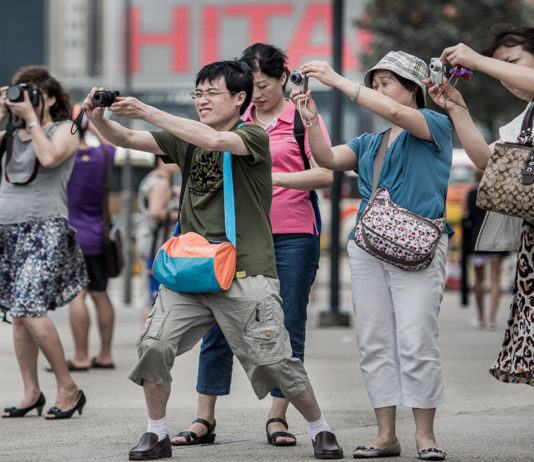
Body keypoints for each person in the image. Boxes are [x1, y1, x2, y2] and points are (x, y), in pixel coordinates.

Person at [84, 59, 343, 461]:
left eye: (211, 93)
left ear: (240, 99)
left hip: (245, 268)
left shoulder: (253, 135)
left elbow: (216, 141)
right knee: (154, 345)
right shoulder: (184, 138)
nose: (202, 101)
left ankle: (319, 428)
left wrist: (146, 110)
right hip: (192, 269)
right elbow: (127, 138)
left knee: (275, 359)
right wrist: (97, 117)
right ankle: (156, 433)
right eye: (198, 93)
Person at [292, 51, 453, 460]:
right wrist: (310, 120)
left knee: (417, 340)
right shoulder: (369, 142)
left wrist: (338, 80)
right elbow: (327, 159)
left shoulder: (433, 124)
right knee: (374, 343)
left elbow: (394, 113)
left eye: (386, 83)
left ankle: (426, 436)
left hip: (419, 247)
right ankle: (385, 435)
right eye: (374, 84)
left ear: (412, 88)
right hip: (368, 248)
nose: (378, 90)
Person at [171, 43, 333, 449]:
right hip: (234, 239)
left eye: (263, 85)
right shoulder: (232, 121)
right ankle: (204, 417)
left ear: (283, 79)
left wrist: (271, 177)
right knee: (217, 324)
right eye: (250, 87)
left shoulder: (301, 119)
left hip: (292, 236)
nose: (256, 94)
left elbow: (325, 174)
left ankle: (278, 415)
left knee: (286, 325)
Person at [431, 26, 534, 386]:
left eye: (513, 63)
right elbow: (485, 160)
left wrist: (476, 60)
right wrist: (456, 108)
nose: (506, 77)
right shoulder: (527, 117)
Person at [0, 66, 87, 419]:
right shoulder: (9, 135)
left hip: (45, 229)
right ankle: (31, 391)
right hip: (8, 231)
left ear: (49, 98)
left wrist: (33, 120)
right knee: (19, 315)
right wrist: (2, 113)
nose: (24, 99)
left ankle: (68, 387)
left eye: (32, 93)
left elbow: (49, 157)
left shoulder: (64, 129)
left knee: (30, 310)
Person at [65, 105, 117, 370]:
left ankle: (81, 356)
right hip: (98, 236)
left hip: (71, 236)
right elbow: (110, 142)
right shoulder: (103, 156)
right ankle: (105, 354)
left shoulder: (63, 160)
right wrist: (90, 121)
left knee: (78, 296)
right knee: (100, 293)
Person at [136, 156, 180, 324]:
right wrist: (182, 216)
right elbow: (156, 211)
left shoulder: (152, 178)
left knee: (149, 290)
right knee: (153, 293)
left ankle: (146, 332)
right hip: (156, 241)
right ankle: (148, 332)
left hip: (147, 238)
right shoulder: (161, 182)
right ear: (161, 160)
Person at [463, 169, 507, 331]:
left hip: (477, 241)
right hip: (496, 240)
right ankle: (491, 320)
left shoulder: (470, 194)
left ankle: (481, 317)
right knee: (495, 280)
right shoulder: (497, 193)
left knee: (478, 281)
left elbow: (465, 217)